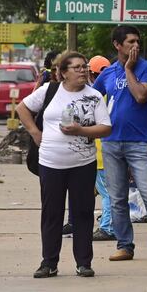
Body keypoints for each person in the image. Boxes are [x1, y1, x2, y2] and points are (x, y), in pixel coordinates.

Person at [16, 52, 112, 278]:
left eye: (84, 67)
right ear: (63, 72)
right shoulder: (49, 91)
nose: (82, 71)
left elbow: (106, 127)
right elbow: (22, 109)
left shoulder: (94, 96)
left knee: (83, 213)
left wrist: (81, 131)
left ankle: (83, 262)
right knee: (52, 213)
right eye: (77, 67)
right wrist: (34, 132)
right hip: (50, 163)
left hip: (83, 164)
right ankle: (49, 263)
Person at [93, 25, 147, 263]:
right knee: (118, 197)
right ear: (117, 45)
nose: (136, 46)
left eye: (138, 42)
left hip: (138, 142)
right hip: (110, 142)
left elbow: (141, 96)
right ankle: (124, 245)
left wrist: (129, 70)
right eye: (130, 42)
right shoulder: (108, 73)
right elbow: (90, 98)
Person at [88, 55, 115, 241]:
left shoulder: (94, 95)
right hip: (109, 149)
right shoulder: (113, 92)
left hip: (100, 152)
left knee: (107, 193)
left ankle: (107, 228)